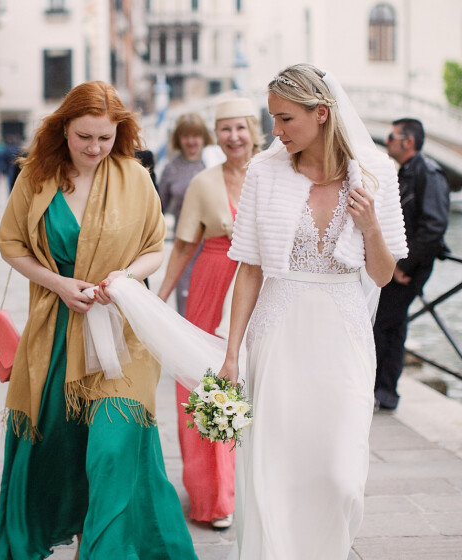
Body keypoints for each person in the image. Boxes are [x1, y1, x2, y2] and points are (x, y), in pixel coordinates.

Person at [0, 80, 197, 560]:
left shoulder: (135, 177)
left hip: (124, 334)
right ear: (64, 128)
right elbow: (10, 245)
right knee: (59, 452)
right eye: (84, 136)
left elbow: (153, 251)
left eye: (105, 138)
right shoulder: (34, 178)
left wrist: (123, 277)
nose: (94, 148)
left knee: (111, 450)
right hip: (56, 334)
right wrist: (59, 284)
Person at [218, 64, 408, 559]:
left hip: (343, 333)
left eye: (285, 120)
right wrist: (232, 353)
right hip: (279, 332)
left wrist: (369, 227)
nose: (275, 132)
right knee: (275, 474)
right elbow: (250, 270)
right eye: (272, 120)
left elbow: (384, 276)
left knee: (342, 477)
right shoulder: (265, 172)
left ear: (321, 114)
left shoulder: (376, 173)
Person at [156, 99, 262, 530]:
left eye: (240, 128)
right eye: (225, 129)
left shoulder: (277, 172)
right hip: (211, 282)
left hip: (266, 285)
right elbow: (183, 245)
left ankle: (259, 487)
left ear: (254, 130)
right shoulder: (202, 183)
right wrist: (160, 297)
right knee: (205, 385)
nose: (233, 137)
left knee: (261, 381)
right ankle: (213, 495)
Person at [374, 118, 450, 410]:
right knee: (392, 326)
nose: (387, 141)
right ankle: (385, 392)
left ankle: (383, 390)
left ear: (407, 141)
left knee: (383, 325)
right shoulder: (407, 171)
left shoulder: (428, 173)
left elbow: (433, 227)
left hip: (408, 269)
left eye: (391, 137)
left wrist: (402, 266)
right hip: (398, 266)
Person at [156, 112, 214, 314]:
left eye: (196, 135)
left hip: (212, 247)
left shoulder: (213, 163)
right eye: (186, 136)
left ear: (204, 137)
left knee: (211, 305)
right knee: (186, 306)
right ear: (179, 139)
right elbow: (158, 209)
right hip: (184, 245)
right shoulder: (170, 169)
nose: (191, 141)